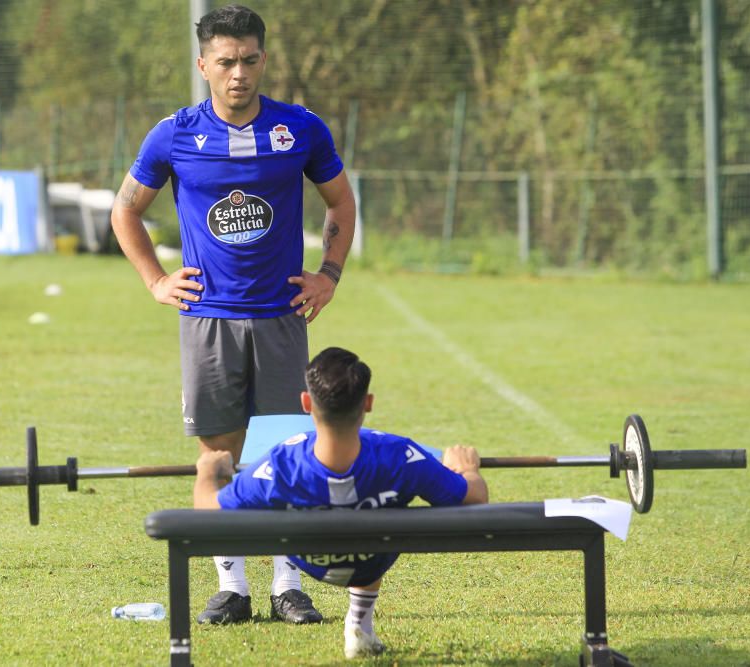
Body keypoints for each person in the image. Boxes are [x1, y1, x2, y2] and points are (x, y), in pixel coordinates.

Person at [110, 5, 356, 625]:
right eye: (225, 62)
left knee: (282, 455)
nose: (238, 73)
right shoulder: (173, 135)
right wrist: (155, 280)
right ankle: (233, 587)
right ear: (204, 66)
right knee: (217, 459)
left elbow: (341, 202)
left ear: (263, 61)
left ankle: (286, 586)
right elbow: (125, 212)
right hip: (209, 321)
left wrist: (328, 276)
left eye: (249, 60)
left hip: (280, 318)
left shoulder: (299, 129)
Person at [194, 347, 489, 659]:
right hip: (370, 559)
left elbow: (208, 514)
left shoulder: (282, 463)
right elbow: (475, 496)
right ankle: (360, 622)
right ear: (368, 403)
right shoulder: (400, 456)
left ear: (306, 403)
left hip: (313, 559)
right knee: (370, 511)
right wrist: (466, 469)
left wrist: (208, 473)